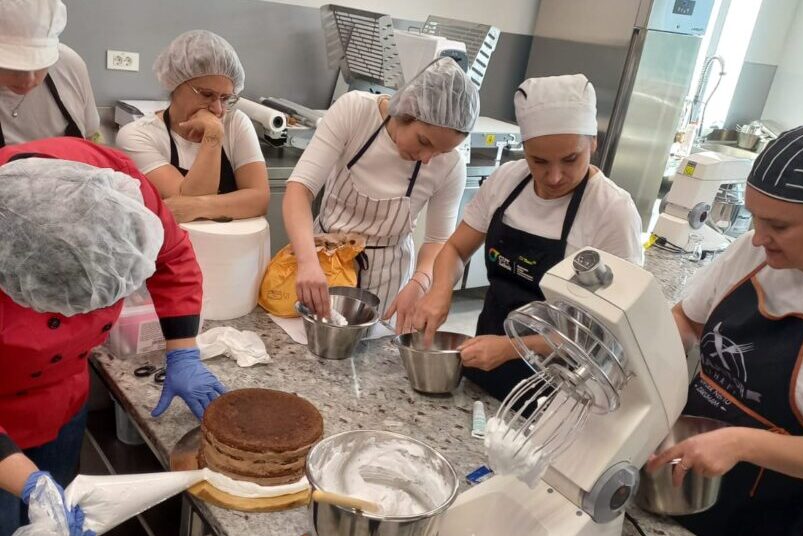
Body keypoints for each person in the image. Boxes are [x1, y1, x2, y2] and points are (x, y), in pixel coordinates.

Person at [0, 136, 226, 536]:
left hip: (62, 398)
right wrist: (27, 482)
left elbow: (172, 256)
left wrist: (183, 350)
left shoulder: (114, 187)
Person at [646, 126, 803, 536]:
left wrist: (739, 443)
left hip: (758, 525)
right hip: (676, 484)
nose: (758, 238)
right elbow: (686, 322)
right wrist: (635, 358)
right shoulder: (753, 252)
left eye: (778, 225)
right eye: (754, 218)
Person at [410, 74, 642, 401]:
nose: (554, 176)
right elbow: (455, 249)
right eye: (539, 161)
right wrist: (440, 290)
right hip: (484, 364)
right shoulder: (507, 181)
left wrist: (511, 348)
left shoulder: (612, 211)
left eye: (570, 159)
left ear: (593, 142)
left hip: (558, 389)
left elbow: (607, 332)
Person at [283, 57, 479, 325]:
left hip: (389, 281)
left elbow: (438, 241)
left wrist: (420, 282)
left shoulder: (452, 166)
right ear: (407, 109)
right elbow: (299, 189)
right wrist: (307, 262)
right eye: (424, 141)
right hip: (322, 263)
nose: (427, 158)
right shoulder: (355, 112)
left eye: (441, 152)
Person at [117, 30, 269, 224]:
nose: (218, 109)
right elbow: (186, 207)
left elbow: (259, 199)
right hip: (175, 243)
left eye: (225, 98)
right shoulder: (138, 135)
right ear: (175, 84)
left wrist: (200, 206)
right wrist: (213, 136)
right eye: (207, 95)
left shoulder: (236, 123)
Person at [0, 0, 101, 147]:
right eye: (13, 65)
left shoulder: (70, 65)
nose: (29, 79)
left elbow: (92, 136)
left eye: (41, 63)